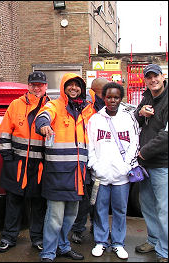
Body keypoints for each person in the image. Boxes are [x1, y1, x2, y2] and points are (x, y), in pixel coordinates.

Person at [35, 73, 94, 262]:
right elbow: (43, 116)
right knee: (54, 217)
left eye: (78, 85)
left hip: (78, 174)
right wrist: (43, 124)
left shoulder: (87, 110)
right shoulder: (54, 105)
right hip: (58, 173)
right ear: (63, 87)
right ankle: (48, 252)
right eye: (70, 85)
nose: (74, 88)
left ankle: (63, 246)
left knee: (71, 216)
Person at [0, 71, 50, 253]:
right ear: (28, 86)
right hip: (17, 163)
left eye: (40, 85)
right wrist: (8, 158)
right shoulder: (15, 105)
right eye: (33, 84)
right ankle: (8, 238)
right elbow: (4, 133)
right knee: (13, 202)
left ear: (45, 87)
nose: (36, 88)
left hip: (40, 165)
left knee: (38, 204)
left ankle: (37, 238)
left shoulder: (51, 107)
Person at [87, 82, 140, 260]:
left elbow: (135, 144)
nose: (112, 100)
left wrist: (126, 167)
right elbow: (90, 146)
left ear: (121, 98)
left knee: (119, 210)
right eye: (109, 97)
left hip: (122, 177)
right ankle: (101, 242)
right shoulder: (95, 120)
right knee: (100, 210)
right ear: (103, 98)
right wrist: (95, 165)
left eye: (116, 97)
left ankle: (118, 243)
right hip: (100, 176)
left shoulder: (129, 118)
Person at [133, 64, 168, 263]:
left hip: (162, 164)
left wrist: (143, 152)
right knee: (147, 205)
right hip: (144, 165)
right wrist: (140, 114)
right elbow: (134, 121)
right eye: (149, 77)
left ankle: (165, 250)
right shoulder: (146, 97)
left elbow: (166, 135)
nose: (153, 80)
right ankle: (153, 240)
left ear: (163, 77)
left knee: (164, 208)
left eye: (156, 76)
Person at [70, 77, 108, 244]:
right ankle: (80, 229)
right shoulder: (90, 104)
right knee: (87, 197)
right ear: (100, 90)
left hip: (92, 158)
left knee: (93, 197)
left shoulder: (97, 103)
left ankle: (92, 227)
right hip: (88, 158)